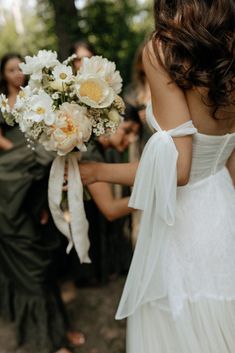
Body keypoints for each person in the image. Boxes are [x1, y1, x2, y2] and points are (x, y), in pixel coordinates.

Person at [78, 1, 235, 352]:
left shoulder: (164, 49)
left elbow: (179, 170)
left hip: (184, 221)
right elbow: (231, 160)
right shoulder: (230, 47)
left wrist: (97, 171)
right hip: (224, 208)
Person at [0, 53, 72, 353]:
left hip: (36, 178)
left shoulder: (37, 98)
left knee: (44, 255)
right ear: (3, 74)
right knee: (29, 263)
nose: (17, 74)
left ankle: (58, 329)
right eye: (11, 69)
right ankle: (47, 337)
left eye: (20, 69)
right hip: (13, 178)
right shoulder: (3, 102)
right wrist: (22, 150)